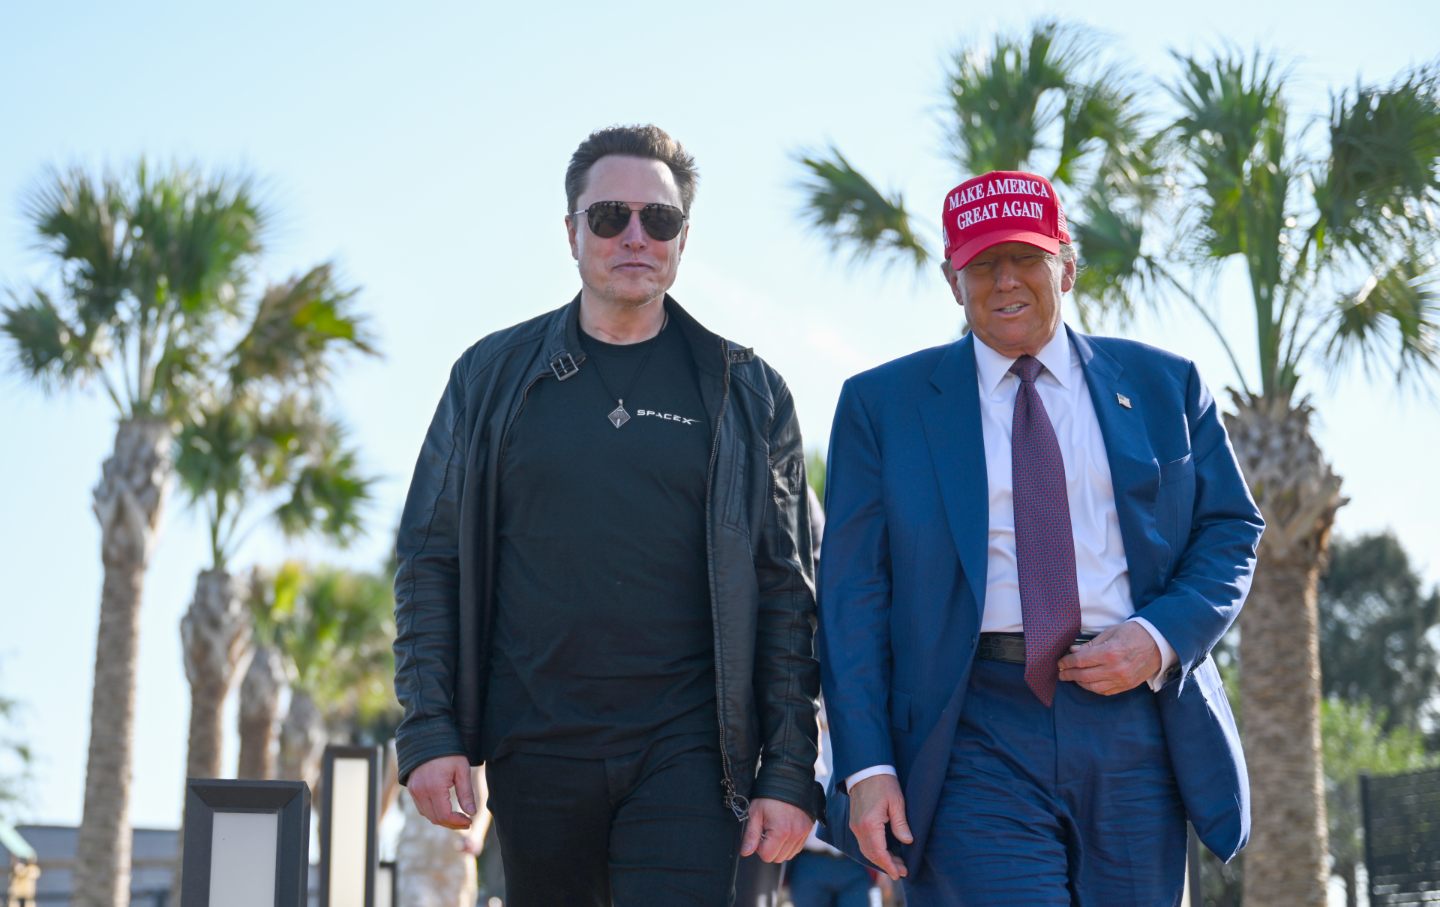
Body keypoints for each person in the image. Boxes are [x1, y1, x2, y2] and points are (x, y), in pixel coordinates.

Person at [391, 124, 823, 907]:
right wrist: (430, 732)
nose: (634, 236)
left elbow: (788, 592)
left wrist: (790, 770)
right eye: (609, 216)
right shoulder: (490, 378)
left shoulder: (747, 392)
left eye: (657, 220)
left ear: (682, 239)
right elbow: (430, 559)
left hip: (693, 755)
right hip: (535, 747)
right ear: (571, 231)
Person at [817, 170, 1264, 905]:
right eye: (981, 264)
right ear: (950, 280)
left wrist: (1157, 636)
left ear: (1067, 263)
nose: (1004, 282)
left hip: (1135, 722)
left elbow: (1230, 529)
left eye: (1025, 258)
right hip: (968, 731)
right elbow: (851, 598)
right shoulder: (882, 405)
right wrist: (866, 766)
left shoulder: (1164, 385)